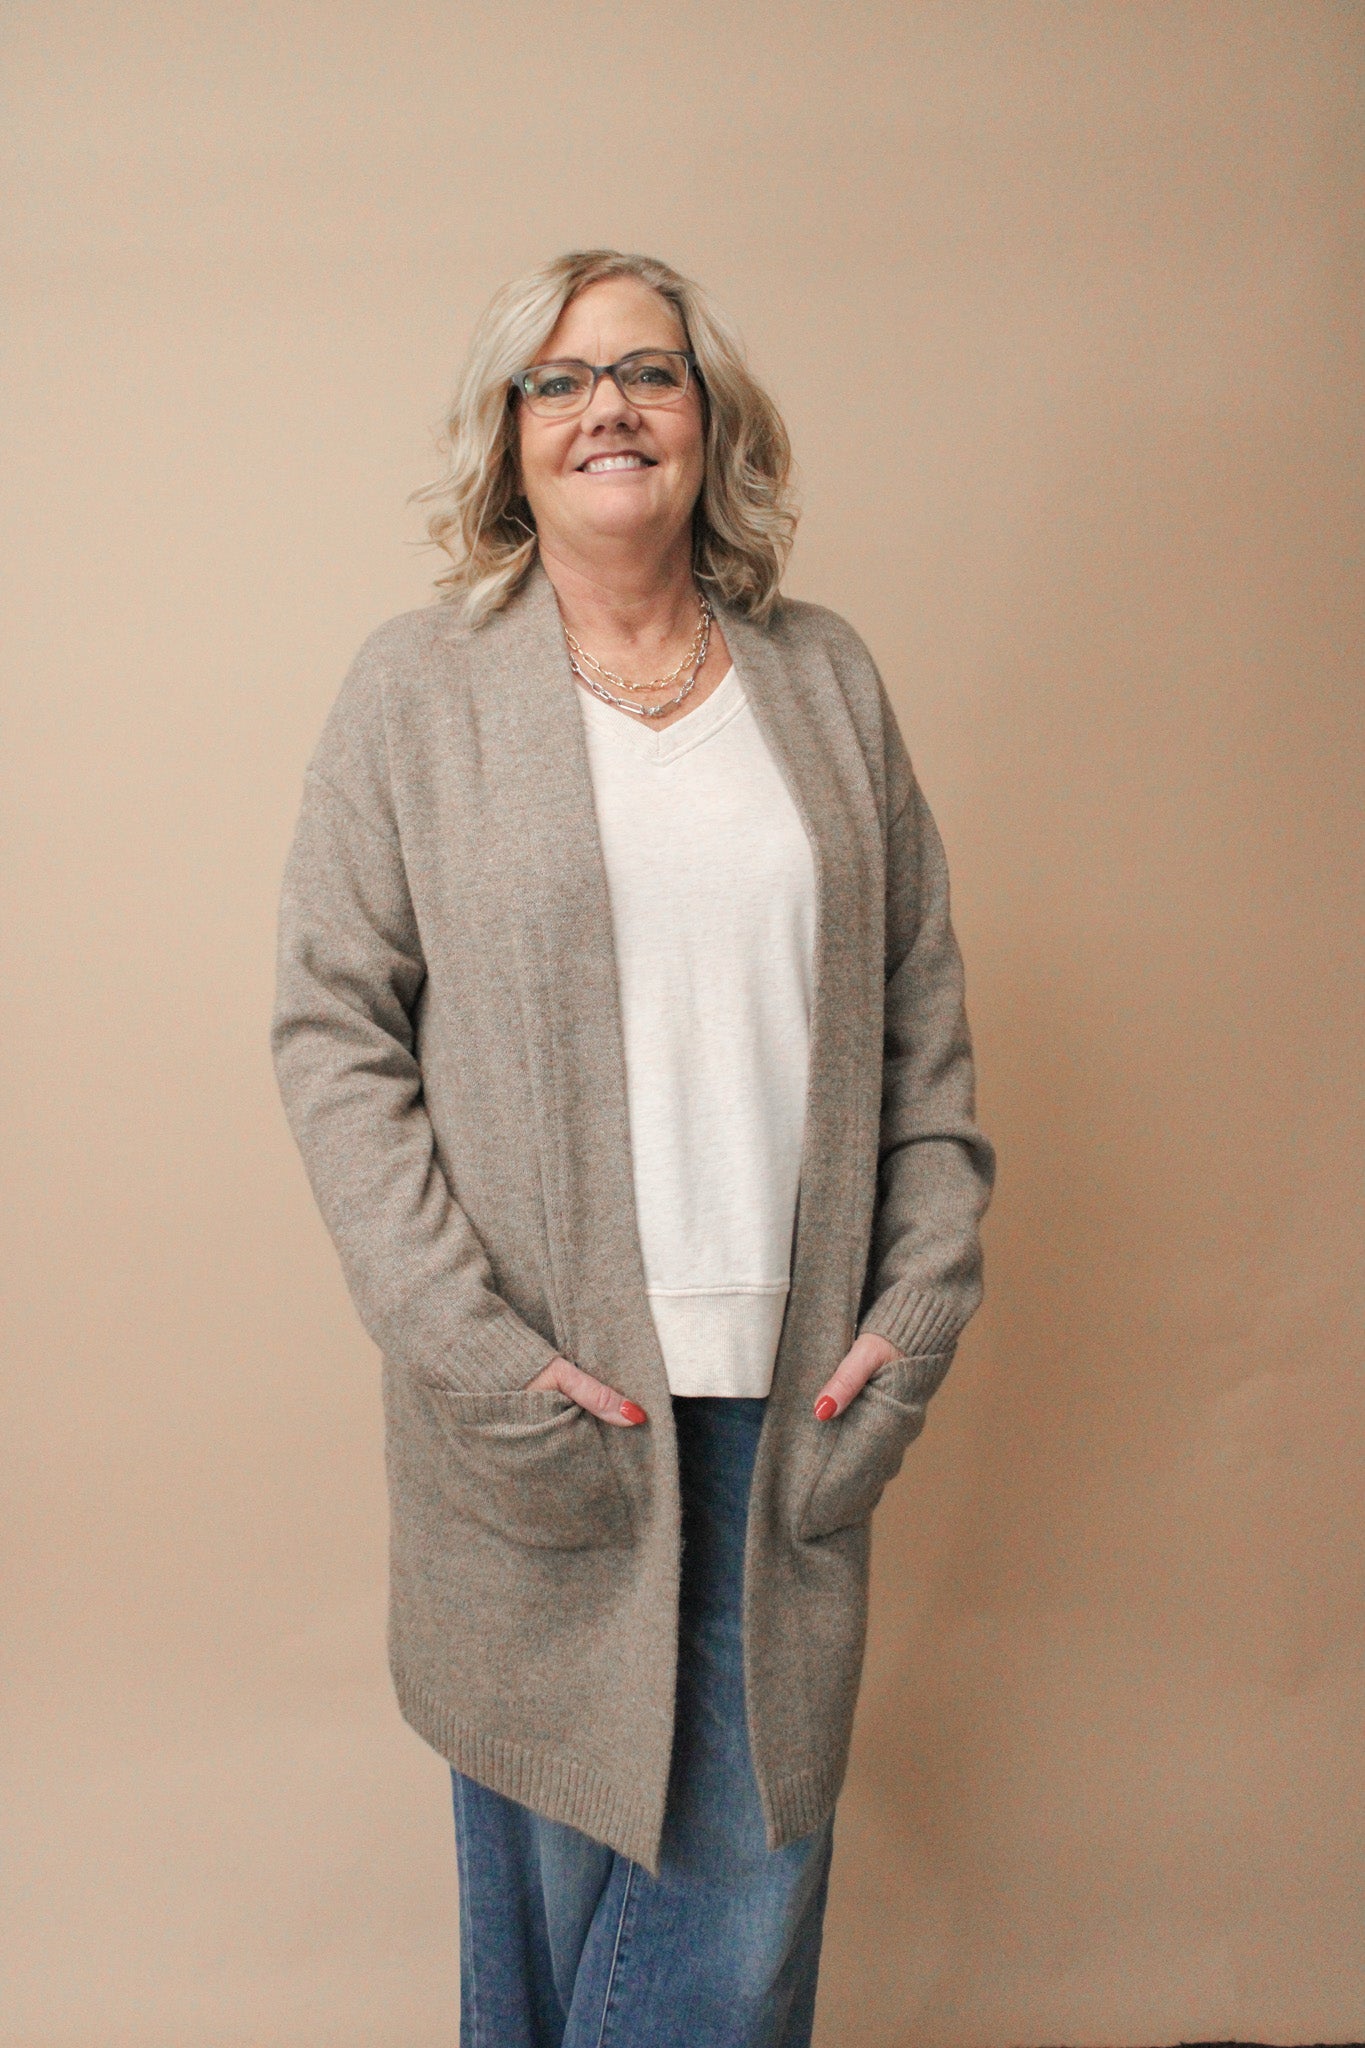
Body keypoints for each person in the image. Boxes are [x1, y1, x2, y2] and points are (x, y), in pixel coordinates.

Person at [271, 248, 995, 2048]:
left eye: (650, 372)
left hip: (791, 1403)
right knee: (536, 1946)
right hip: (541, 1407)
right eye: (561, 379)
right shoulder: (416, 693)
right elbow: (334, 1035)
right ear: (508, 438)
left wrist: (913, 1309)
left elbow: (922, 1028)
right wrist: (469, 1348)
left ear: (707, 419)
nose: (608, 408)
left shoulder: (823, 681)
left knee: (726, 1949)